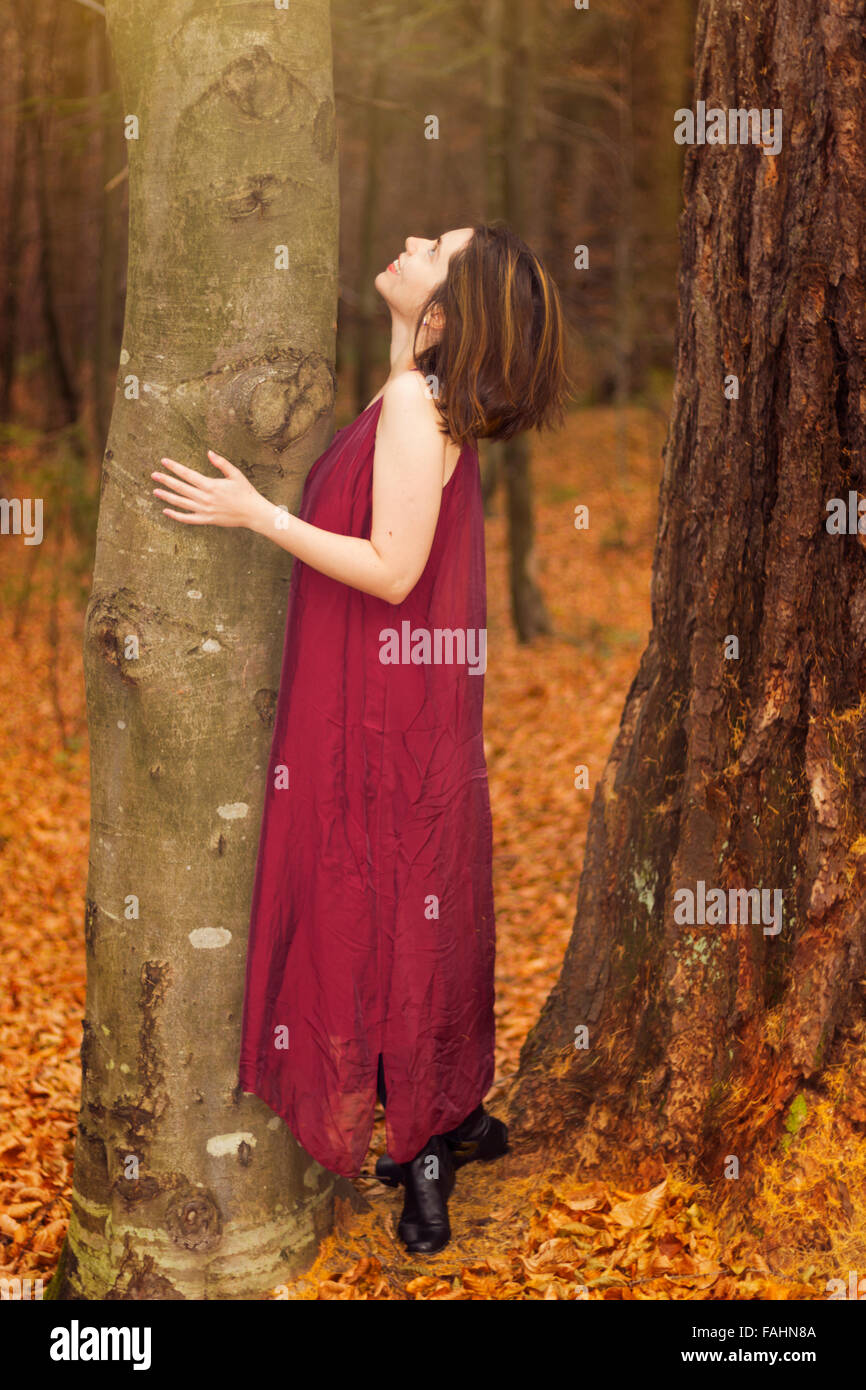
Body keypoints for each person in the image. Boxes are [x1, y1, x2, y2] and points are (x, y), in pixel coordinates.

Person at [151, 221, 569, 1255]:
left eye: (437, 245)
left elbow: (390, 568)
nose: (413, 237)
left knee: (388, 890)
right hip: (384, 685)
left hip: (384, 698)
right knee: (397, 884)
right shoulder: (411, 395)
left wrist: (256, 515)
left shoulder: (421, 413)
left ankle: (425, 1137)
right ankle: (437, 1107)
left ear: (446, 311)